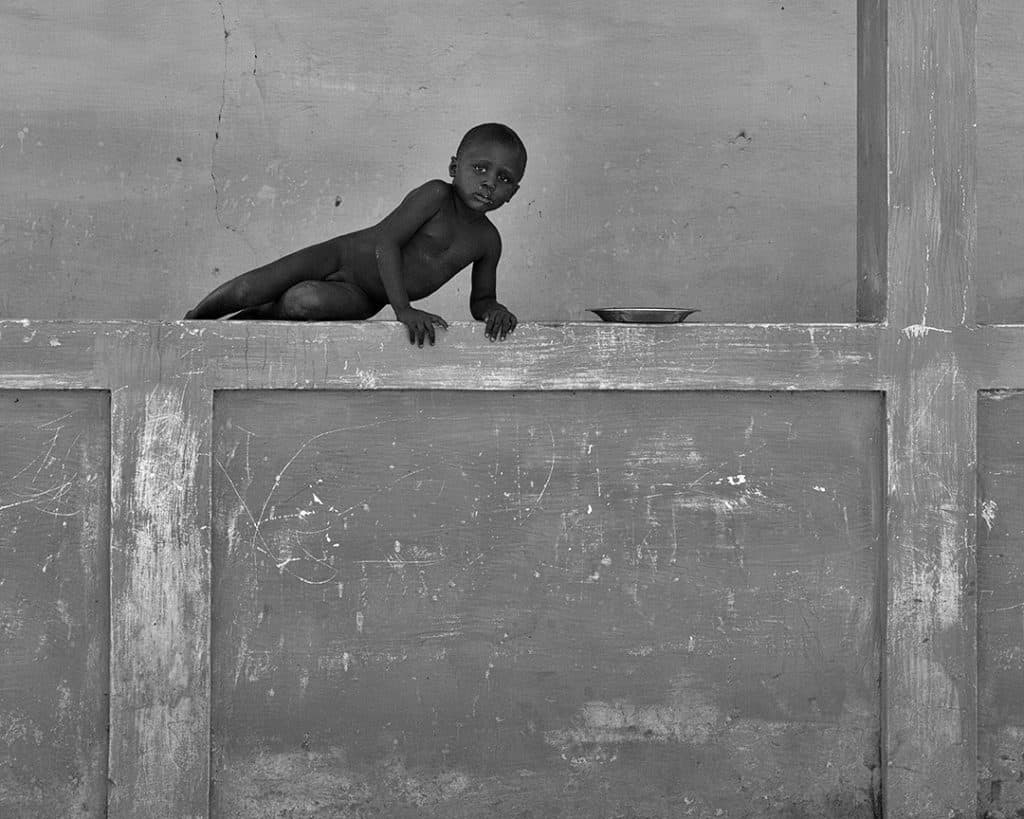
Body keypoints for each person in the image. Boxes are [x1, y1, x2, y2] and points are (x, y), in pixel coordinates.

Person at [184, 123, 526, 346]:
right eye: (480, 168)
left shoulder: (487, 241)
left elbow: (481, 300)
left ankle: (230, 333)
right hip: (341, 255)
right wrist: (404, 310)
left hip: (367, 297)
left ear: (514, 192)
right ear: (454, 168)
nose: (489, 183)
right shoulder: (436, 195)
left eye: (504, 179)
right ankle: (188, 328)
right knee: (249, 289)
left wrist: (494, 311)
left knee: (299, 303)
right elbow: (386, 242)